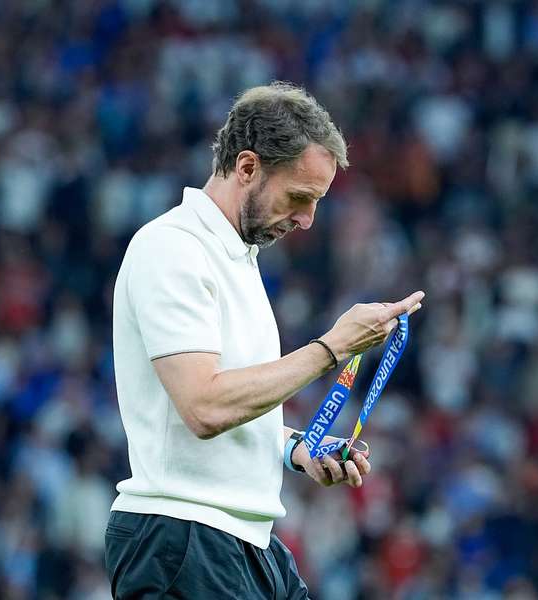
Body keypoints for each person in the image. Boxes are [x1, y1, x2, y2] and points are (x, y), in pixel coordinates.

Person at [104, 81, 424, 599]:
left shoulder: (237, 260)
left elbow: (230, 406)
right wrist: (333, 348)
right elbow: (203, 405)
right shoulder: (171, 248)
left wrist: (297, 449)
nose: (306, 220)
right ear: (247, 167)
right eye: (299, 197)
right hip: (182, 538)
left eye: (317, 202)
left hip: (244, 542)